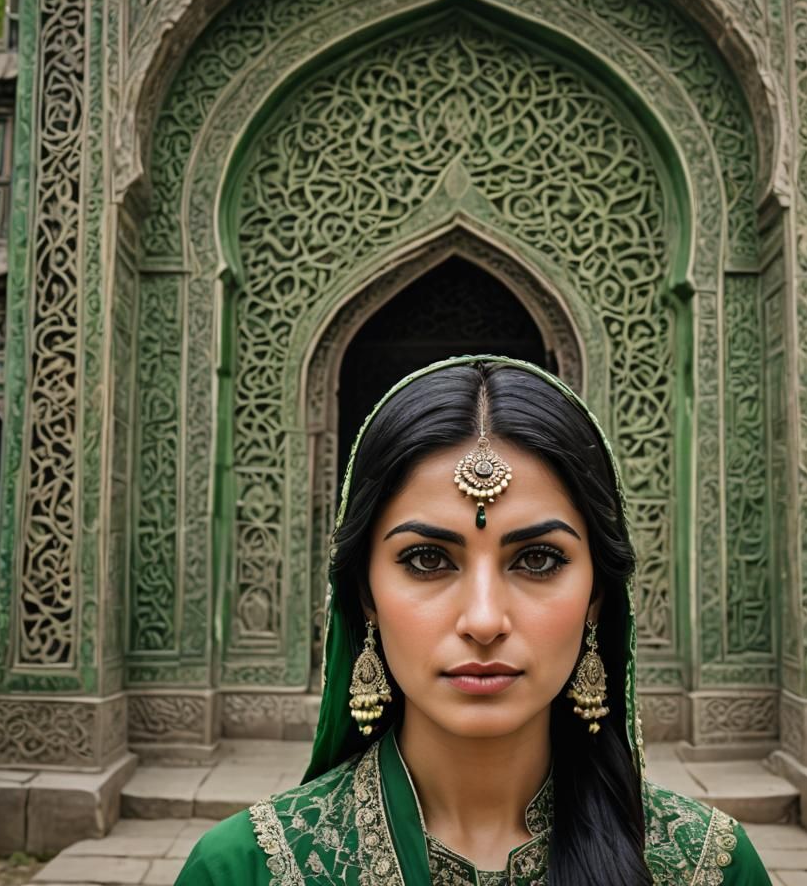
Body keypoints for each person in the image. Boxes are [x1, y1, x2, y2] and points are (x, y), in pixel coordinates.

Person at [176, 356, 771, 884]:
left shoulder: (705, 866)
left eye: (538, 560)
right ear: (365, 596)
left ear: (597, 597)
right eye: (427, 559)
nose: (484, 621)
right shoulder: (244, 869)